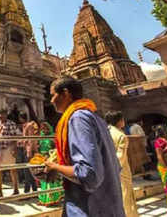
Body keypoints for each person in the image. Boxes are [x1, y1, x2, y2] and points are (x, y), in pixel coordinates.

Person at [44, 76, 125, 217]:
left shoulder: (78, 119)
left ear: (66, 93)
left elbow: (89, 174)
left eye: (53, 95)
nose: (51, 101)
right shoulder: (95, 118)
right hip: (108, 205)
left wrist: (55, 167)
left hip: (90, 207)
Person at [105, 111, 139, 217]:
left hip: (106, 170)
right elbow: (120, 158)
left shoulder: (104, 132)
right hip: (120, 171)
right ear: (119, 121)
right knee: (126, 196)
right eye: (122, 119)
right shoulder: (121, 136)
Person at [38, 121, 63, 206]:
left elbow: (56, 149)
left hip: (50, 159)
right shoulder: (41, 137)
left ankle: (51, 199)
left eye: (46, 128)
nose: (44, 130)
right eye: (43, 128)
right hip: (42, 159)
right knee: (43, 180)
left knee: (50, 179)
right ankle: (43, 199)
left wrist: (50, 157)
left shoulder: (52, 137)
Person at [0, 109, 20, 196]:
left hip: (8, 148)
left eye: (2, 115)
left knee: (12, 170)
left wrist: (14, 149)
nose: (1, 116)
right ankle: (0, 191)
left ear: (6, 115)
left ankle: (16, 189)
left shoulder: (11, 124)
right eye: (0, 115)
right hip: (0, 148)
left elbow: (14, 137)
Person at [21, 114, 39, 193]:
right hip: (27, 149)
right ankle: (34, 189)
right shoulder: (25, 126)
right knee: (29, 170)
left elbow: (31, 139)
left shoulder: (29, 126)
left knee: (27, 171)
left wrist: (30, 151)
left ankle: (27, 191)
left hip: (29, 151)